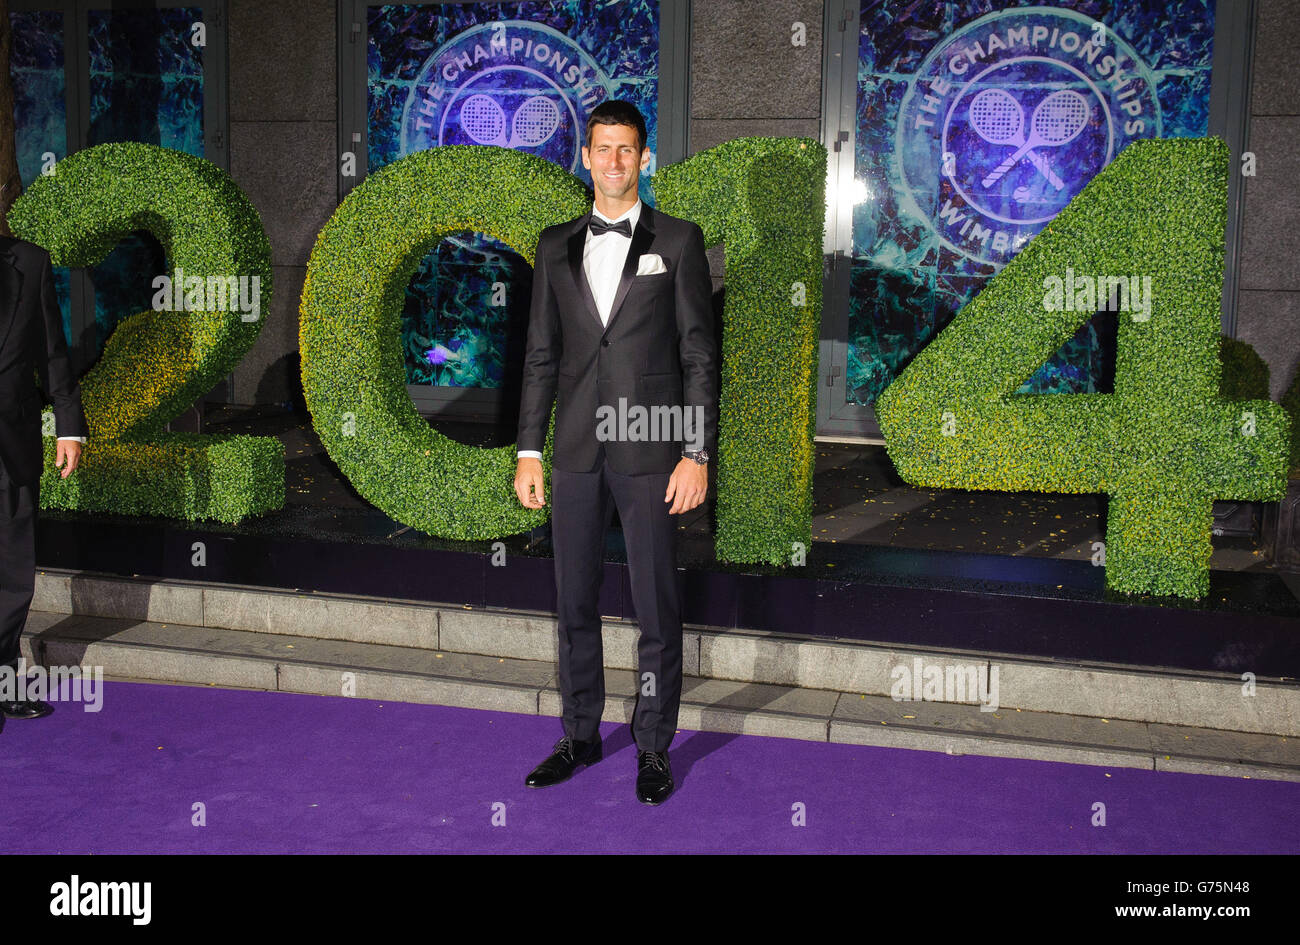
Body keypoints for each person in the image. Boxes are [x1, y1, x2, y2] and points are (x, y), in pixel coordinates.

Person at [513, 100, 717, 805]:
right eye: (603, 148)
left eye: (626, 149)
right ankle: (579, 735)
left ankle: (654, 744)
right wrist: (528, 451)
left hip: (653, 452)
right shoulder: (553, 245)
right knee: (574, 598)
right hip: (571, 451)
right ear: (586, 156)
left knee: (656, 604)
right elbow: (540, 354)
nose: (614, 161)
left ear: (645, 157)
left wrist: (696, 451)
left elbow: (698, 356)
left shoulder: (682, 242)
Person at [0, 235, 87, 732]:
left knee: (12, 574)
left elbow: (53, 352)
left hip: (9, 446)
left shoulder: (28, 261)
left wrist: (68, 425)